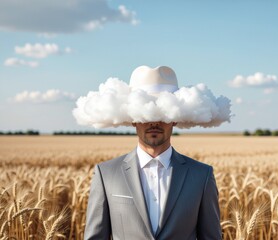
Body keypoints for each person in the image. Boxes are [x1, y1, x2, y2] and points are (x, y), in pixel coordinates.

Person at [74, 65, 231, 239]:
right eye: (146, 114)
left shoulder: (202, 175)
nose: (154, 122)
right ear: (133, 119)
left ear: (175, 119)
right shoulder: (106, 174)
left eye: (162, 114)